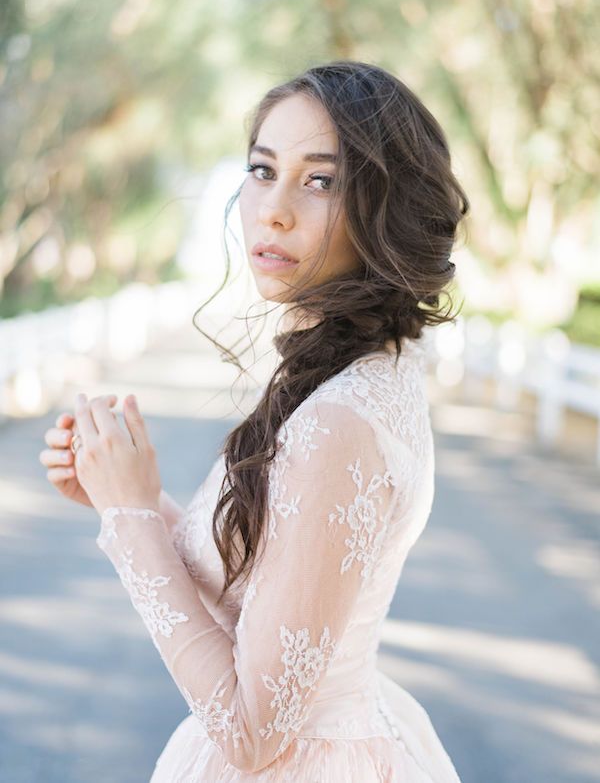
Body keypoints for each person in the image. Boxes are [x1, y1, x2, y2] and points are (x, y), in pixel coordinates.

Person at [39, 60, 469, 781]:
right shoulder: (367, 371)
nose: (273, 208)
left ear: (384, 208)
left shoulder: (339, 422)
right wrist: (131, 494)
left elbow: (250, 731)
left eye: (320, 180)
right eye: (263, 169)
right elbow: (267, 582)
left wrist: (127, 520)